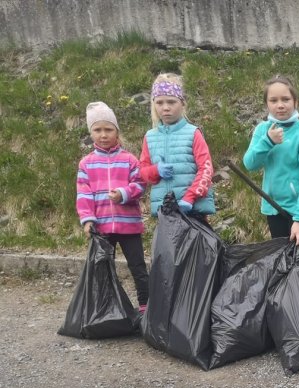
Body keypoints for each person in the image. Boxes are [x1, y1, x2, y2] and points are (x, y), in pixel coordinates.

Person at [76, 101, 149, 312]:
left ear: (116, 132)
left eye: (108, 129)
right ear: (91, 133)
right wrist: (88, 219)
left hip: (129, 226)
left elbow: (140, 184)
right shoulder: (86, 163)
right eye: (97, 130)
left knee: (138, 268)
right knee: (103, 269)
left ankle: (146, 307)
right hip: (102, 228)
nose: (103, 134)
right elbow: (83, 195)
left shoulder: (129, 160)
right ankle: (107, 308)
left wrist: (124, 194)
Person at [243, 75, 299, 254]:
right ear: (267, 104)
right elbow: (250, 163)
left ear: (295, 102)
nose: (280, 105)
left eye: (286, 99)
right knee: (281, 263)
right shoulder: (263, 130)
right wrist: (268, 141)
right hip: (274, 208)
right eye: (273, 100)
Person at [139, 73, 215, 226]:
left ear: (182, 103)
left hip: (194, 211)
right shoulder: (149, 136)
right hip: (165, 212)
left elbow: (206, 169)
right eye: (159, 102)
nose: (165, 108)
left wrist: (190, 198)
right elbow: (142, 171)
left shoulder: (193, 133)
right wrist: (155, 171)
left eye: (171, 102)